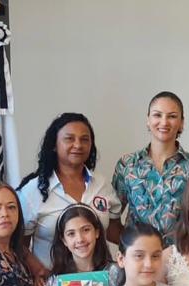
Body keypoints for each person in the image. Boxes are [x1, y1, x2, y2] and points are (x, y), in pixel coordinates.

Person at [18, 112, 123, 276]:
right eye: (69, 139)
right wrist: (39, 272)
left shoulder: (102, 184)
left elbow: (113, 231)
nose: (78, 145)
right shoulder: (33, 191)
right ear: (54, 144)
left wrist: (144, 248)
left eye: (84, 139)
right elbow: (18, 244)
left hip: (101, 282)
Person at [112, 91, 189, 243]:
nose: (164, 122)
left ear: (181, 123)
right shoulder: (127, 164)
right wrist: (131, 247)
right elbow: (111, 220)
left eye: (172, 116)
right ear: (148, 120)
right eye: (157, 115)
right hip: (137, 261)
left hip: (180, 259)